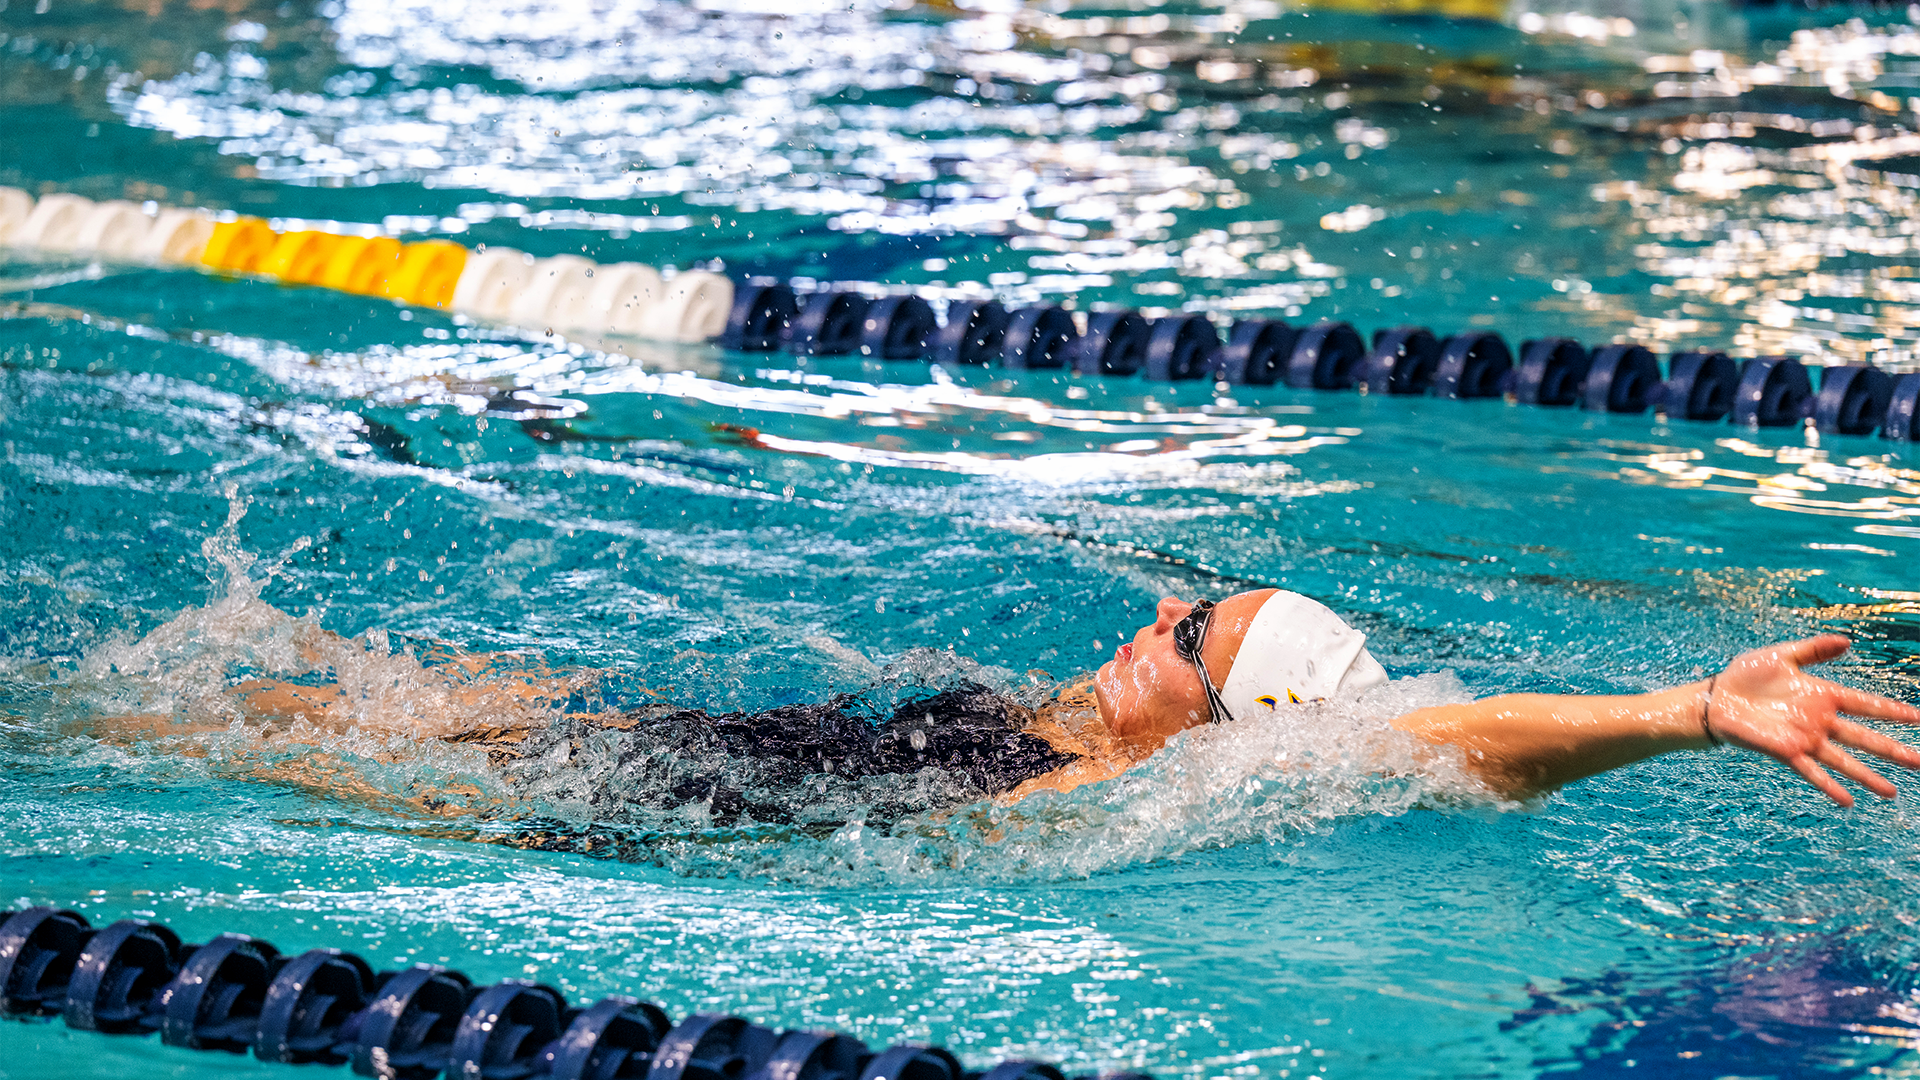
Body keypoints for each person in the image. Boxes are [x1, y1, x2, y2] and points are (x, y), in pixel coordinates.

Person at [96, 587, 1920, 837]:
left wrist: (1688, 708)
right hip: (684, 739)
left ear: (1232, 712)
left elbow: (1448, 743)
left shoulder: (1123, 794)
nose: (1149, 620)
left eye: (1186, 629)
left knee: (210, 731)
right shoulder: (1042, 720)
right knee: (296, 677)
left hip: (673, 815)